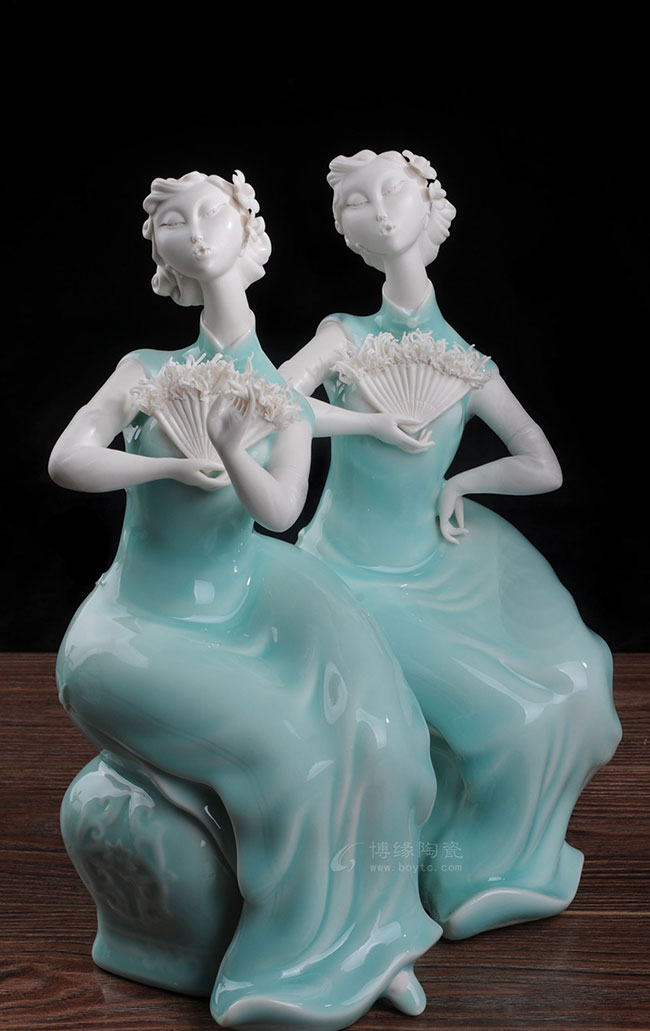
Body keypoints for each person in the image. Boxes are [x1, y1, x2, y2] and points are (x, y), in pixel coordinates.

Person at [49, 169, 441, 1030]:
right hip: (134, 630)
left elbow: (280, 511)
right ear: (163, 253)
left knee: (379, 733)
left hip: (240, 607)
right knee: (289, 753)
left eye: (211, 214)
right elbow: (67, 459)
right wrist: (164, 463)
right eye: (175, 221)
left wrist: (231, 452)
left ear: (248, 235)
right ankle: (290, 962)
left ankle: (375, 942)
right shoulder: (147, 370)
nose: (195, 231)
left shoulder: (280, 397)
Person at [280, 149, 622, 940]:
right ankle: (458, 858)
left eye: (394, 193)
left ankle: (495, 859)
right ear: (347, 230)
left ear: (431, 209)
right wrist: (367, 419)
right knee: (507, 715)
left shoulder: (466, 363)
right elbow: (272, 402)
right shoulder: (343, 336)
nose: (380, 210)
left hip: (434, 560)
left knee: (578, 678)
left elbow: (541, 465)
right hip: (349, 569)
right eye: (359, 202)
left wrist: (462, 483)